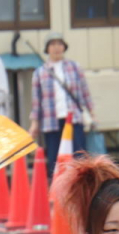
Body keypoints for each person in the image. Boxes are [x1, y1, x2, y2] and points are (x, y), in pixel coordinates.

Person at [30, 33, 94, 181]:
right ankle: (57, 188)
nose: (56, 48)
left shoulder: (75, 67)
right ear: (47, 49)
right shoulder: (39, 72)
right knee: (54, 158)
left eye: (59, 44)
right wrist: (34, 123)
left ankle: (80, 185)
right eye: (52, 44)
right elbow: (36, 101)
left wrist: (92, 112)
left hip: (73, 118)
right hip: (51, 121)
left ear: (64, 47)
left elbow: (84, 91)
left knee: (79, 156)